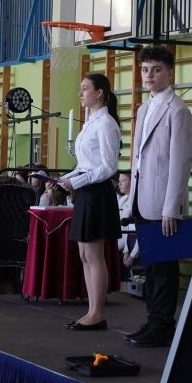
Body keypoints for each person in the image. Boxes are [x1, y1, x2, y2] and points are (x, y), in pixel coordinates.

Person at [125, 45, 192, 347]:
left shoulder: (178, 110)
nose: (149, 75)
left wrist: (172, 207)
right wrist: (130, 199)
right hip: (143, 198)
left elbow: (180, 163)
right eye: (145, 69)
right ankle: (153, 320)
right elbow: (138, 159)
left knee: (164, 268)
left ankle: (163, 325)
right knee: (150, 267)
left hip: (163, 203)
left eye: (156, 70)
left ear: (170, 73)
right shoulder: (143, 108)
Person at [57, 73, 122, 331]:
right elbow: (85, 164)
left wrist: (78, 182)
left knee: (94, 255)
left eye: (85, 89)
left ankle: (97, 313)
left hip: (97, 193)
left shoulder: (106, 124)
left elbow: (108, 167)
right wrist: (67, 178)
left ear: (99, 93)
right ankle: (91, 310)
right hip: (86, 191)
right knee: (85, 254)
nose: (80, 93)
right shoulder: (90, 123)